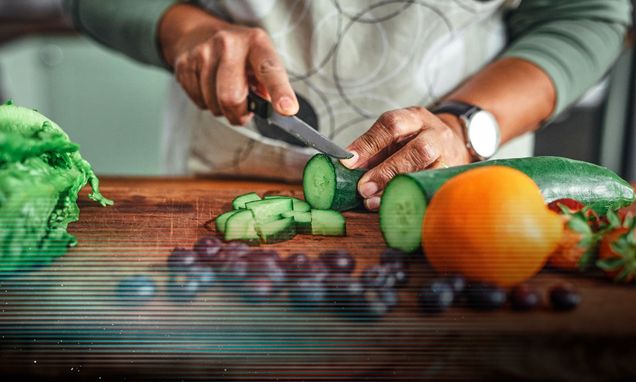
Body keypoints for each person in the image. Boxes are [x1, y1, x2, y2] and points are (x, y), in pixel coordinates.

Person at [63, 0, 631, 210]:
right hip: (217, 165)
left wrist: (468, 125)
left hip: (465, 181)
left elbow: (583, 15)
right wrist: (184, 31)